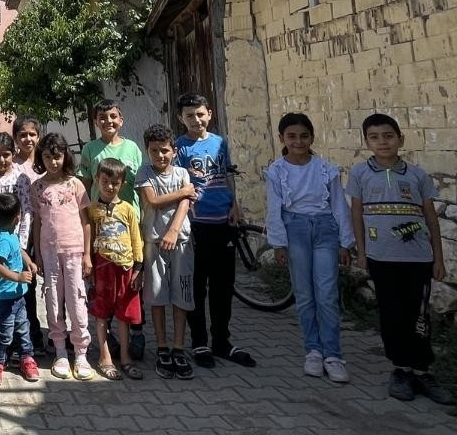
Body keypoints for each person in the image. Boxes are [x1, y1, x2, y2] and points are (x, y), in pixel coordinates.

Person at [348, 113, 451, 404]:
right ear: (367, 142)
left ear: (400, 139)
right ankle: (401, 370)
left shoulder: (418, 176)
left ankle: (423, 370)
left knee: (419, 315)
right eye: (375, 137)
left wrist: (438, 258)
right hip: (382, 258)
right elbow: (356, 213)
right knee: (391, 315)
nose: (383, 142)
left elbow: (431, 219)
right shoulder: (360, 174)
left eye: (389, 136)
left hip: (418, 259)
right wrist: (362, 252)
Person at [266, 113, 354, 384]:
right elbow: (274, 208)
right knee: (304, 294)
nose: (298, 141)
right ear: (282, 139)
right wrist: (278, 243)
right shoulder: (276, 171)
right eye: (291, 136)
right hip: (295, 231)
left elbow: (339, 205)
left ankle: (333, 354)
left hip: (325, 230)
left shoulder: (326, 169)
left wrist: (345, 242)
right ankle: (313, 351)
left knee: (326, 292)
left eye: (304, 136)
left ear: (312, 138)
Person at [175, 93, 255, 368]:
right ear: (180, 118)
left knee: (223, 287)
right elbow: (179, 187)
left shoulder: (220, 142)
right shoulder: (180, 147)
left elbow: (226, 177)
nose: (195, 120)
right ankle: (198, 342)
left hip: (224, 222)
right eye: (189, 115)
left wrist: (235, 204)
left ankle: (221, 341)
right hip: (197, 225)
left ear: (209, 113)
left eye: (200, 114)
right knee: (197, 288)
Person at [78, 99, 146, 359]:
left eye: (113, 116)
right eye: (103, 117)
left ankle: (137, 334)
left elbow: (141, 184)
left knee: (131, 284)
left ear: (121, 119)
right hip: (100, 223)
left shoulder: (132, 149)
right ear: (96, 122)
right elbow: (83, 185)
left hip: (129, 222)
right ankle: (109, 340)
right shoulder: (90, 149)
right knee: (103, 286)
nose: (108, 121)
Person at [135, 124, 198, 380]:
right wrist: (184, 191)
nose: (159, 156)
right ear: (147, 151)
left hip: (180, 241)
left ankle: (179, 347)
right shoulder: (144, 173)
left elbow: (184, 206)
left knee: (182, 294)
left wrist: (173, 231)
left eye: (164, 151)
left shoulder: (183, 173)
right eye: (154, 151)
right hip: (154, 243)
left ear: (174, 151)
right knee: (157, 296)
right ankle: (161, 346)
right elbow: (153, 200)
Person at [30, 132, 94, 381]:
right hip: (49, 252)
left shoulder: (75, 184)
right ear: (41, 158)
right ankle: (60, 351)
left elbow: (86, 222)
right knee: (53, 300)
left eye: (57, 157)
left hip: (74, 252)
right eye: (47, 157)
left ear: (64, 156)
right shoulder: (38, 187)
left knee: (77, 300)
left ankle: (81, 352)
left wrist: (87, 254)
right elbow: (37, 223)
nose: (53, 162)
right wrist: (37, 254)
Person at [88, 158, 144, 380]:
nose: (110, 186)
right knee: (101, 313)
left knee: (123, 315)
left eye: (115, 182)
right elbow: (89, 238)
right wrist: (89, 265)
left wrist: (139, 268)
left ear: (122, 183)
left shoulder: (128, 209)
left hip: (125, 268)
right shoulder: (92, 210)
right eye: (105, 181)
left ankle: (125, 357)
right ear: (97, 180)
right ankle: (105, 357)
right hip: (102, 268)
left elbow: (136, 239)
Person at [0, 192, 40, 386]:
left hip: (18, 296)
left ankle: (27, 357)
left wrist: (29, 262)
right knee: (4, 332)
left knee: (23, 328)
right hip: (3, 298)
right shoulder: (2, 239)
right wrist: (17, 276)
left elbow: (20, 250)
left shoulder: (11, 234)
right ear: (18, 216)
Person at [11, 116, 46, 349]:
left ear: (39, 136)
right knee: (25, 284)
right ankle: (29, 334)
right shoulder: (12, 165)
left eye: (32, 134)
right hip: (20, 233)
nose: (28, 139)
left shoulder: (45, 165)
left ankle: (54, 334)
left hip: (45, 230)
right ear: (15, 138)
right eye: (22, 135)